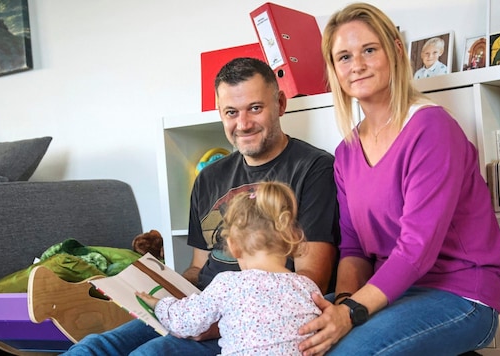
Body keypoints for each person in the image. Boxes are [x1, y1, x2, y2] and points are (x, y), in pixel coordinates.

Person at [63, 57, 338, 355]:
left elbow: (312, 280)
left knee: (150, 353)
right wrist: (163, 287)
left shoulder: (314, 168)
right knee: (96, 346)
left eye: (255, 108)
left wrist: (225, 317)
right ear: (220, 113)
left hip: (249, 326)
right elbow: (198, 267)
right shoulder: (210, 177)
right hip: (200, 306)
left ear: (280, 104)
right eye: (231, 112)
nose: (243, 124)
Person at [298, 3, 500, 355]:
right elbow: (353, 250)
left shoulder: (432, 129)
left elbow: (416, 251)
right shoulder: (347, 152)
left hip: (460, 295)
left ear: (395, 50)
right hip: (388, 293)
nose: (358, 65)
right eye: (344, 57)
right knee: (287, 337)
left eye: (369, 50)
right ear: (335, 70)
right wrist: (345, 303)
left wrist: (349, 314)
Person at [136, 181, 322, 355]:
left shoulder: (228, 284)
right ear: (290, 241)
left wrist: (160, 304)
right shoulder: (308, 287)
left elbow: (184, 322)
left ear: (233, 246)